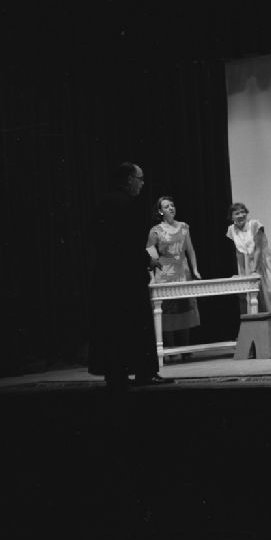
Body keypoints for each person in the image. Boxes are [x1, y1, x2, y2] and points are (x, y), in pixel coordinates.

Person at [87, 162, 174, 389]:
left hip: (106, 276)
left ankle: (116, 374)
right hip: (127, 277)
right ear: (129, 180)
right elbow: (130, 243)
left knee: (113, 327)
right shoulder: (129, 205)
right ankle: (145, 373)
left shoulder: (102, 203)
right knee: (137, 324)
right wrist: (148, 260)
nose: (142, 184)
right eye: (140, 179)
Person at [147, 196, 202, 360]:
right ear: (160, 211)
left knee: (184, 308)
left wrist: (195, 269)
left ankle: (185, 349)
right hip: (165, 273)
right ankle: (169, 350)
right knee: (167, 310)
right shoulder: (156, 230)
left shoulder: (184, 227)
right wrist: (152, 275)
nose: (171, 208)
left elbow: (190, 250)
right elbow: (150, 252)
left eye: (172, 205)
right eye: (166, 206)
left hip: (182, 271)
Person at [226, 201, 271, 313]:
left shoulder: (255, 225)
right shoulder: (231, 230)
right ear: (231, 217)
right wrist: (243, 274)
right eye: (237, 213)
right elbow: (239, 253)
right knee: (254, 298)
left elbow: (258, 249)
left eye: (243, 212)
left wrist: (254, 271)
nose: (241, 215)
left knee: (270, 295)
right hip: (250, 264)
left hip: (264, 263)